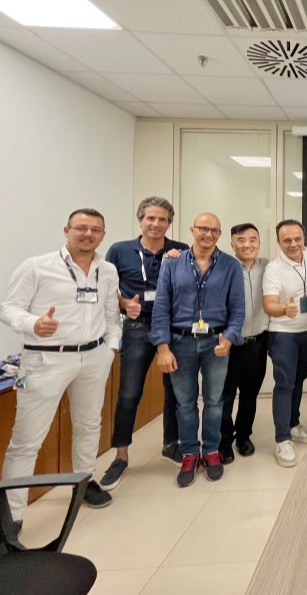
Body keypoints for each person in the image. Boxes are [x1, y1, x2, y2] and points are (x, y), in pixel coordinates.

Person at [0, 209, 122, 527]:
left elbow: (112, 313)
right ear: (67, 230)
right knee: (27, 440)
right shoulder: (37, 267)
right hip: (45, 359)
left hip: (93, 358)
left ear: (103, 235)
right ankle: (12, 518)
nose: (88, 234)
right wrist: (33, 323)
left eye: (95, 229)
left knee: (89, 425)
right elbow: (8, 308)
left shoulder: (107, 271)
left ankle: (84, 482)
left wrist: (111, 348)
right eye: (81, 228)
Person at [98, 197, 188, 492]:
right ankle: (121, 455)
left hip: (173, 329)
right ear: (140, 220)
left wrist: (179, 263)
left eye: (162, 219)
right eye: (151, 218)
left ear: (169, 223)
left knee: (175, 391)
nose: (156, 224)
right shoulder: (120, 251)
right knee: (129, 393)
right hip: (137, 328)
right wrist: (125, 304)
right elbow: (105, 290)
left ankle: (171, 444)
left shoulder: (180, 250)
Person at [151, 213, 244, 487]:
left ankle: (211, 451)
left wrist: (229, 338)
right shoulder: (172, 263)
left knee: (215, 401)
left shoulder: (230, 266)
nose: (209, 234)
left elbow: (238, 309)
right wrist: (162, 348)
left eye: (215, 230)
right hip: (180, 342)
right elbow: (161, 307)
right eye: (203, 228)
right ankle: (190, 453)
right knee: (184, 403)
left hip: (216, 342)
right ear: (192, 230)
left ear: (219, 234)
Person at [263, 220, 307, 468]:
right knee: (285, 384)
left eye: (298, 238)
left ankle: (293, 424)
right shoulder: (274, 269)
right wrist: (285, 309)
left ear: (304, 238)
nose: (293, 244)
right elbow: (268, 304)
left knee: (299, 379)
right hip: (284, 333)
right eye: (287, 240)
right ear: (278, 242)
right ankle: (282, 439)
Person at [218, 223, 269, 463]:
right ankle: (224, 440)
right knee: (225, 394)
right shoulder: (223, 267)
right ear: (232, 244)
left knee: (250, 393)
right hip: (230, 343)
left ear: (259, 242)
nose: (247, 245)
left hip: (258, 341)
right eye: (241, 240)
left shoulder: (268, 266)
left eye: (252, 239)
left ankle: (244, 436)